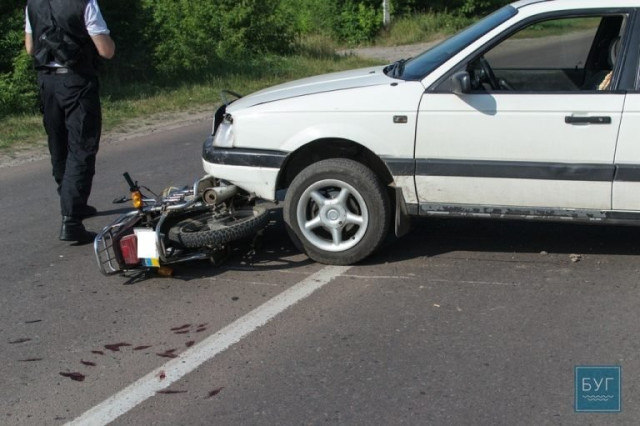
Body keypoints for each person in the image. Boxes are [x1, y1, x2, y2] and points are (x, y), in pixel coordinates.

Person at [24, 0, 115, 243]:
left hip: (47, 82)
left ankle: (74, 204)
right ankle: (71, 220)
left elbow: (30, 48)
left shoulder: (33, 3)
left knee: (59, 145)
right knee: (82, 146)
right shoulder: (85, 3)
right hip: (76, 81)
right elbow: (106, 50)